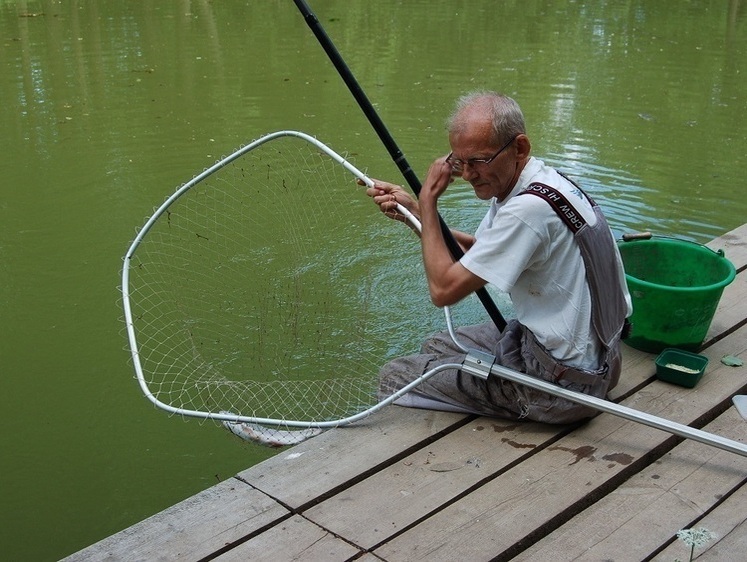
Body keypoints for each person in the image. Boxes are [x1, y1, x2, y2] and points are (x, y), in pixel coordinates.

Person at [366, 91, 632, 424]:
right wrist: (415, 213)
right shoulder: (542, 184)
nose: (467, 174)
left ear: (519, 147)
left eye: (479, 160)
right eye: (460, 162)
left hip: (561, 390)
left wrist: (429, 199)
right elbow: (480, 253)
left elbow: (443, 290)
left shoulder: (527, 211)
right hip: (604, 362)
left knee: (394, 376)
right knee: (437, 343)